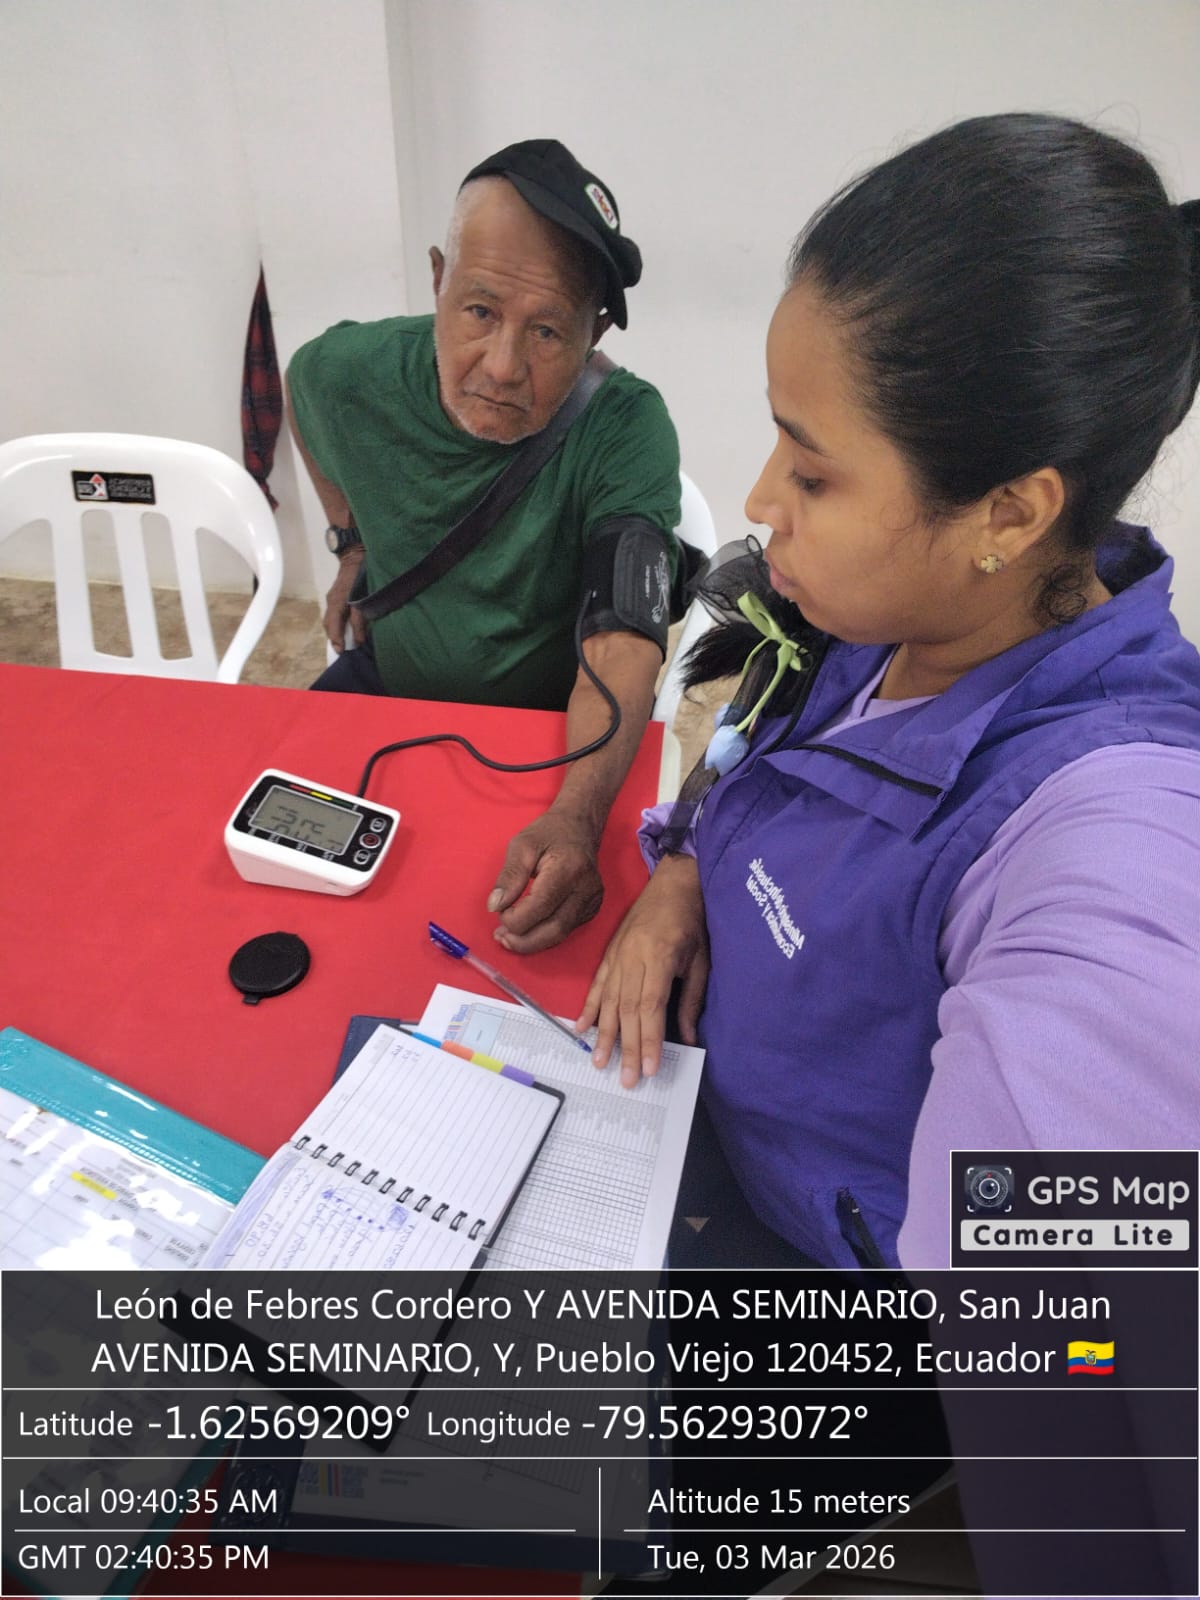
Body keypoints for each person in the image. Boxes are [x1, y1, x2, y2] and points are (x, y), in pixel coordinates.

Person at [577, 113, 1200, 1272]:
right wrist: (683, 873)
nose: (762, 500)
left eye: (814, 473)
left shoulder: (1111, 829)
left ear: (1008, 513)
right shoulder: (880, 614)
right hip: (694, 1121)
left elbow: (1090, 1317)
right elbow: (754, 743)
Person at [287, 140, 682, 954]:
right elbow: (302, 390)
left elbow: (622, 638)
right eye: (479, 312)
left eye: (548, 331)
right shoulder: (352, 371)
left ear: (596, 330)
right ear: (438, 278)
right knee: (270, 856)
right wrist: (350, 545)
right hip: (389, 685)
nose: (502, 367)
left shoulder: (626, 426)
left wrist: (576, 816)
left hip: (548, 734)